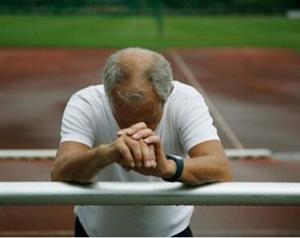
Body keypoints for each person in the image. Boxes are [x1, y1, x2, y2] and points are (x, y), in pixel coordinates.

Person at [51, 47, 232, 237]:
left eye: (149, 119)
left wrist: (169, 168)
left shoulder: (185, 100)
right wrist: (105, 154)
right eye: (123, 119)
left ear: (167, 95)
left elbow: (221, 168)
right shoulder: (86, 103)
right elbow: (60, 172)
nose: (135, 131)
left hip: (172, 233)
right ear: (108, 93)